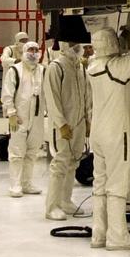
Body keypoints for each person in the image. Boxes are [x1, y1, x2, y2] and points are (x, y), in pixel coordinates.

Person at [86, 26, 130, 249]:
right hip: (116, 133)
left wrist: (121, 39)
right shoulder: (117, 68)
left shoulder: (92, 66)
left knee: (100, 183)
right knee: (117, 184)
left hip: (98, 132)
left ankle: (99, 234)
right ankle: (117, 236)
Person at [43, 39, 90, 221]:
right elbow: (52, 98)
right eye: (72, 42)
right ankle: (52, 206)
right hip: (63, 124)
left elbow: (86, 95)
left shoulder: (79, 67)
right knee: (60, 163)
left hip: (79, 122)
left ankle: (66, 200)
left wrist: (87, 120)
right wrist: (61, 124)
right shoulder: (56, 67)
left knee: (74, 161)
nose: (77, 46)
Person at [1, 38, 45, 197]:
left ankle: (27, 183)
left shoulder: (42, 70)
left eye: (35, 50)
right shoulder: (15, 70)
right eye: (30, 50)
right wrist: (11, 113)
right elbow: (7, 93)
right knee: (17, 153)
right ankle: (15, 185)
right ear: (24, 52)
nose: (33, 53)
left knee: (32, 152)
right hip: (19, 118)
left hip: (38, 117)